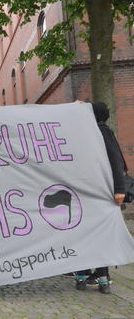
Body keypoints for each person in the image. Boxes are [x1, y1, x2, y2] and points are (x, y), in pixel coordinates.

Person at [75, 101, 126, 294]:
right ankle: (88, 275)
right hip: (90, 193)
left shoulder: (102, 131)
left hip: (102, 194)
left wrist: (119, 188)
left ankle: (99, 277)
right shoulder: (89, 132)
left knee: (96, 234)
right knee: (88, 233)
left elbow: (115, 160)